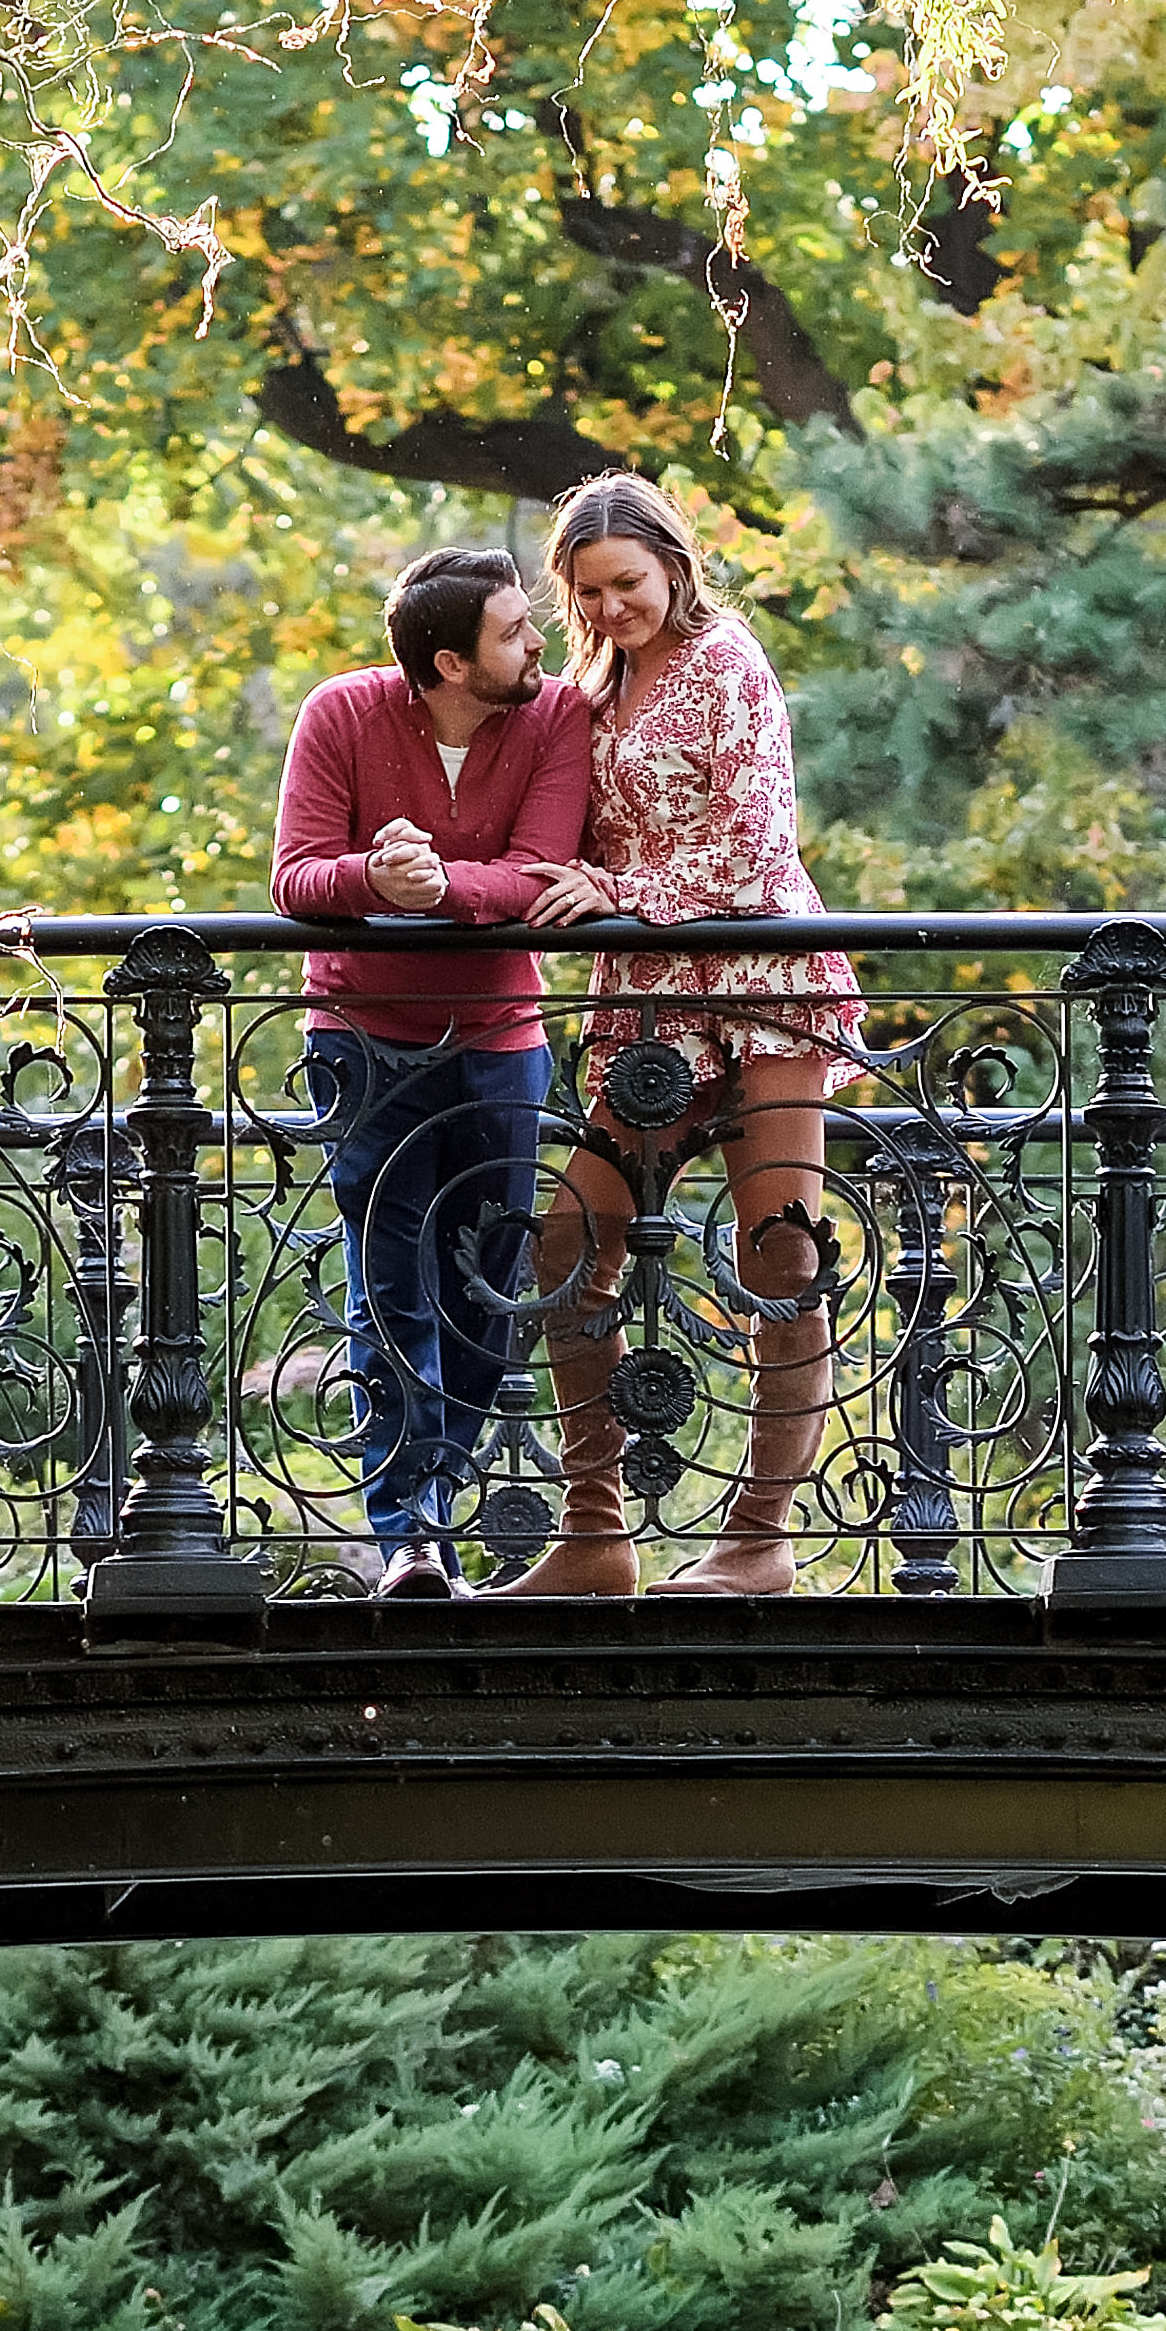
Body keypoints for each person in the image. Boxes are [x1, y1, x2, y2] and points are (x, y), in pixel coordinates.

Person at [504, 470, 864, 1600]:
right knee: (568, 1238)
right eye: (588, 592)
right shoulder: (589, 682)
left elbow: (757, 851)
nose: (610, 608)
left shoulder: (729, 664)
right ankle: (593, 1533)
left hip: (761, 982)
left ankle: (758, 1540)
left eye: (626, 583)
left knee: (778, 1256)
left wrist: (616, 891)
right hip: (653, 993)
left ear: (671, 563)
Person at [272, 542, 593, 1595]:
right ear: (450, 664)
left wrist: (426, 888)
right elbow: (295, 878)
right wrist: (372, 873)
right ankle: (407, 1535)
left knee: (486, 1293)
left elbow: (536, 873)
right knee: (388, 1290)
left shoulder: (552, 717)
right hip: (361, 1039)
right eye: (513, 630)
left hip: (500, 1041)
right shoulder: (341, 713)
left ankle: (432, 1502)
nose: (539, 639)